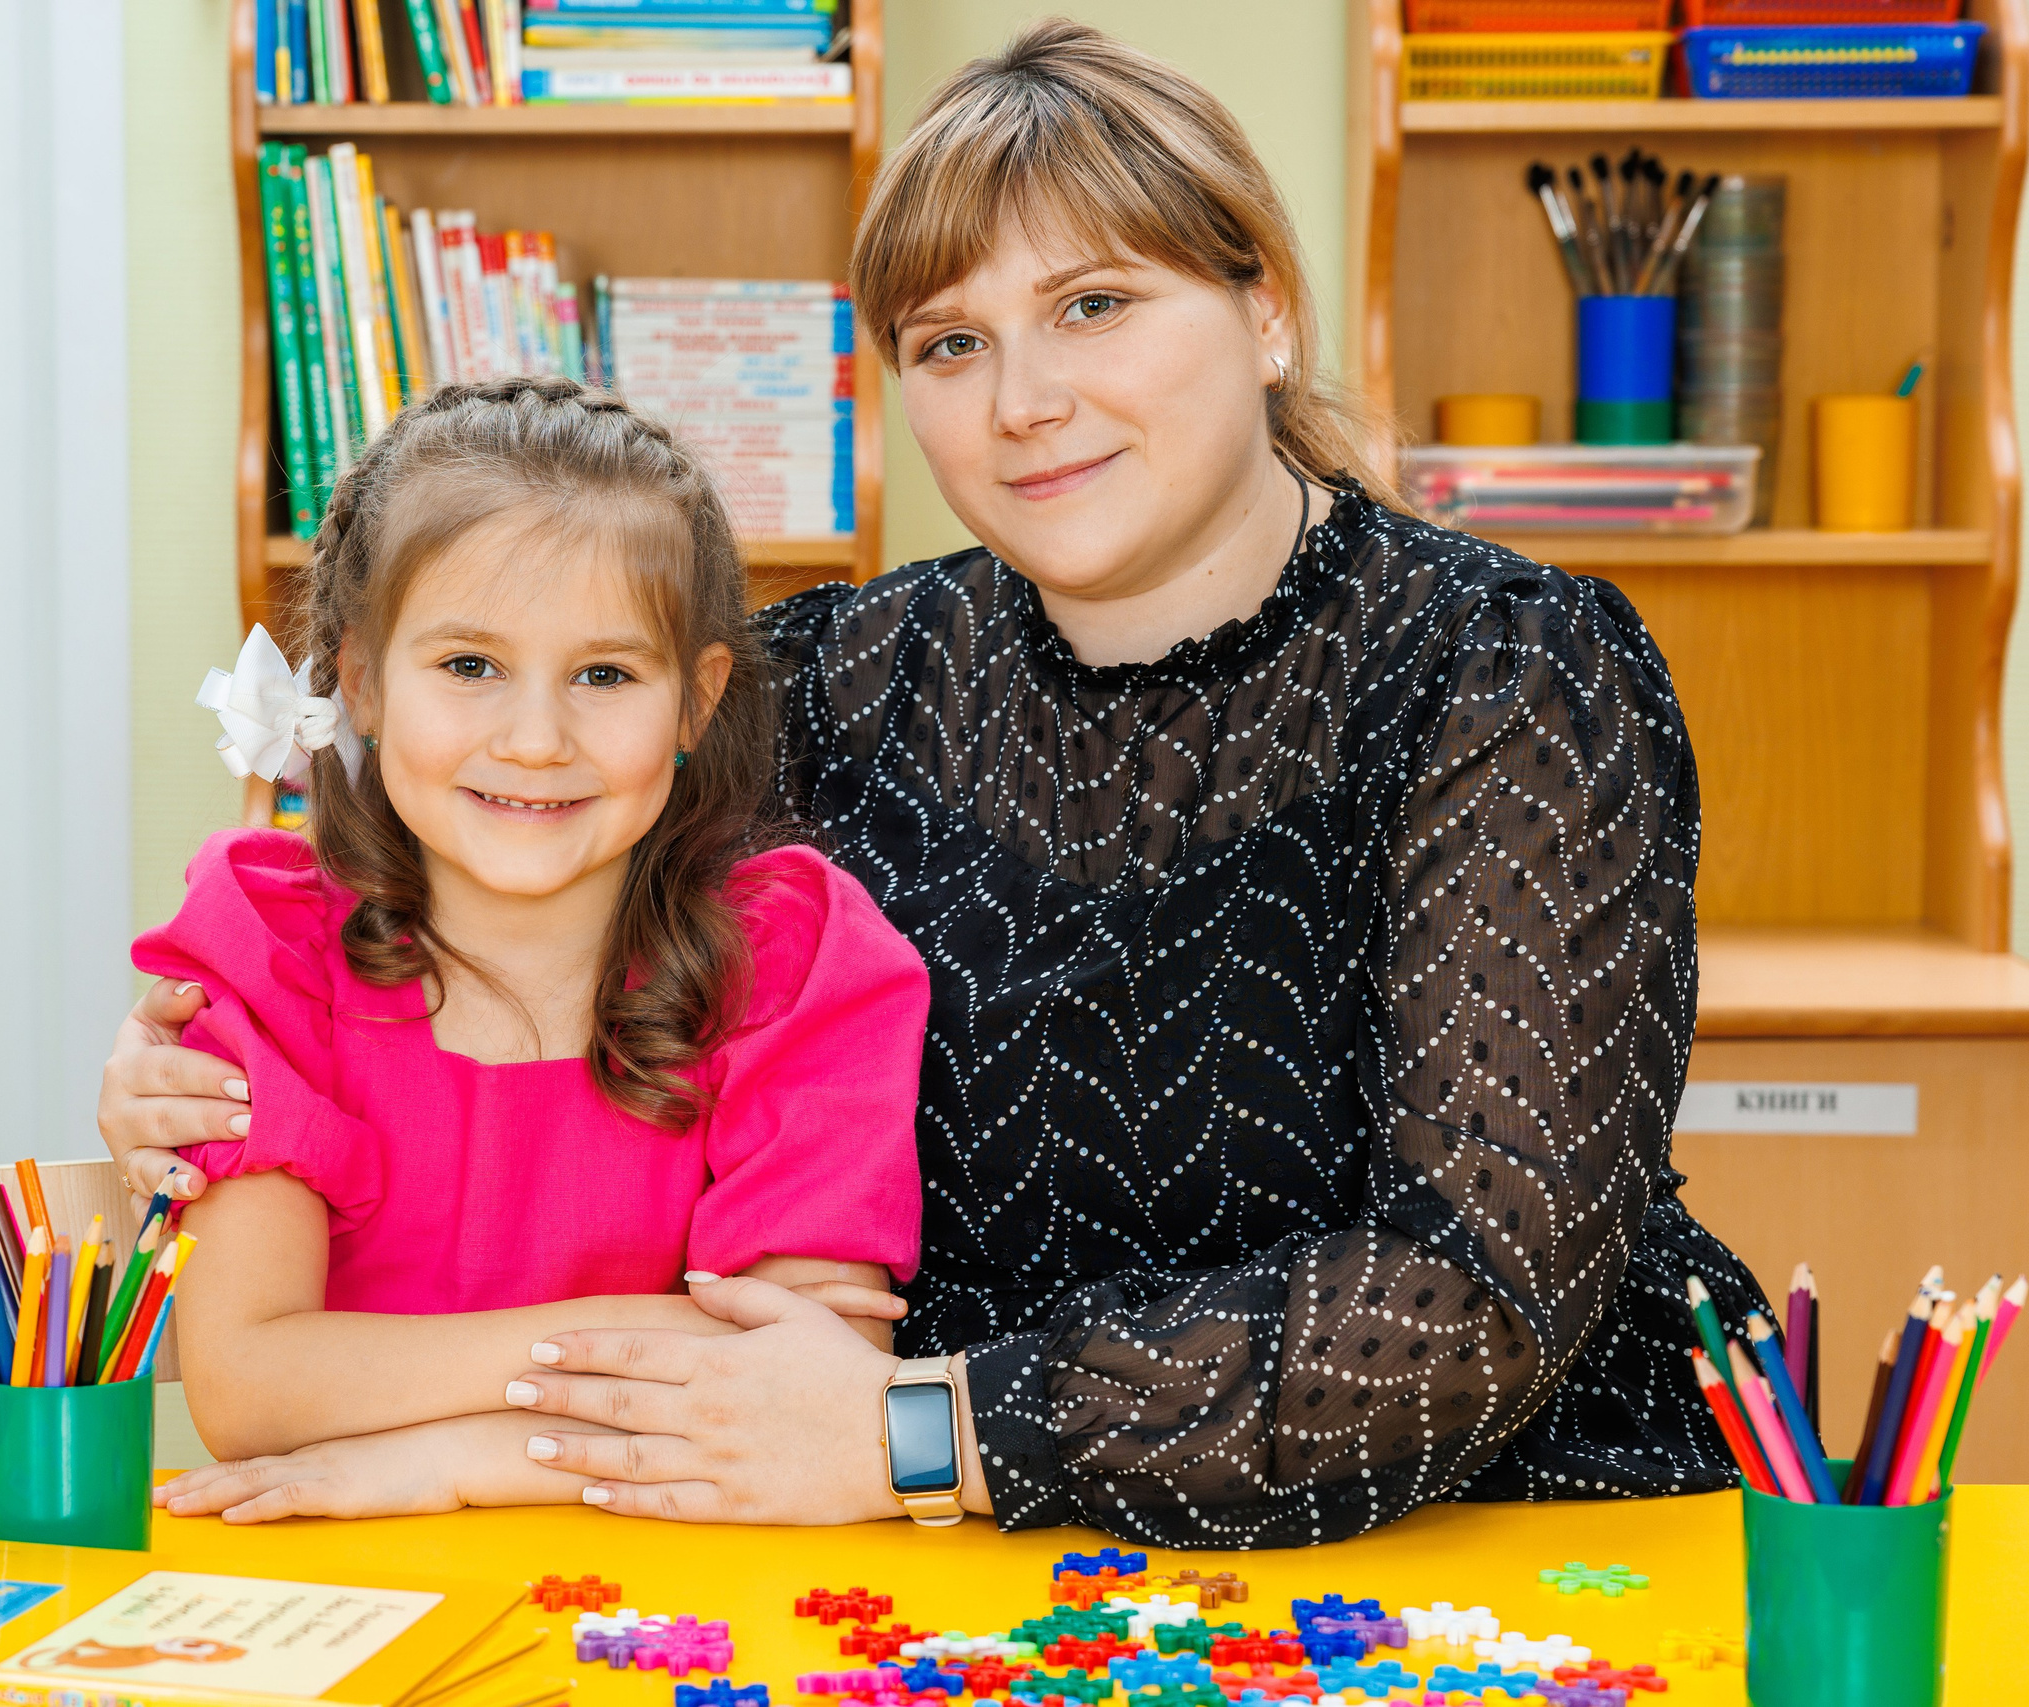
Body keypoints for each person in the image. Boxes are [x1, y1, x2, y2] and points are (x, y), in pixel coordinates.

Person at [103, 21, 1765, 1545]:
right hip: (953, 1561)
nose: (1026, 402)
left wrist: (927, 1430)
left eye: (1094, 306)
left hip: (1518, 1530)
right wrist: (206, 1073)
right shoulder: (809, 679)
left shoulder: (1514, 665)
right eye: (951, 341)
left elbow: (1477, 1295)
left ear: (1266, 308)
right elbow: (490, 933)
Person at [139, 376, 930, 1523]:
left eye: (604, 675)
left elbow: (806, 1383)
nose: (534, 739)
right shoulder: (268, 943)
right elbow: (249, 1388)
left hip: (695, 1594)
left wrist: (445, 1460)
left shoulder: (795, 957)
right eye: (469, 666)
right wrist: (658, 1341)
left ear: (695, 701)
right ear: (359, 679)